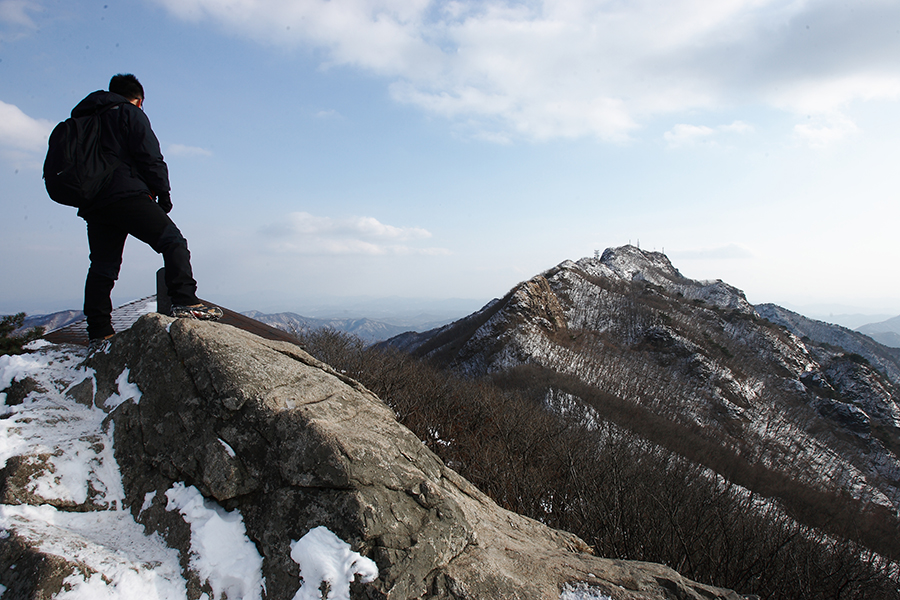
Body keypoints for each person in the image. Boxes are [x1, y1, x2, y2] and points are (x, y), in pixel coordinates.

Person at [71, 73, 222, 346]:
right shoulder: (128, 113)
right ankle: (185, 301)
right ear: (139, 99)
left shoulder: (83, 118)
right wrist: (163, 195)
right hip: (127, 195)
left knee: (103, 266)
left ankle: (99, 331)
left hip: (94, 202)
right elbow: (150, 156)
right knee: (173, 241)